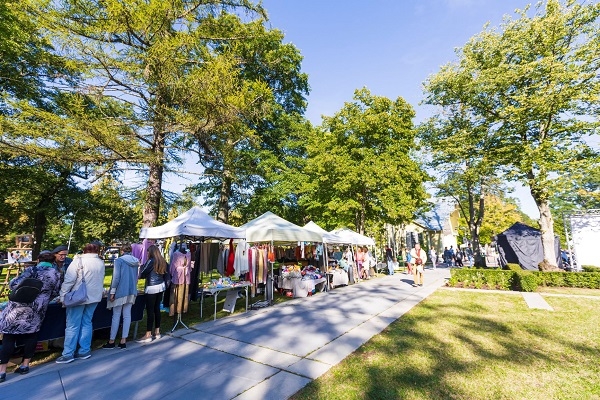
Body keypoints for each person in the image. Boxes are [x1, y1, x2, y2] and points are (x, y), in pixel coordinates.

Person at [0, 250, 61, 382]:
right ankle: (25, 365)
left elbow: (13, 284)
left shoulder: (31, 270)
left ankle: (2, 371)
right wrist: (44, 298)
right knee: (31, 336)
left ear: (39, 260)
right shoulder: (55, 274)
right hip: (37, 309)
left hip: (17, 307)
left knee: (9, 337)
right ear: (52, 261)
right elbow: (56, 292)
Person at [56, 243, 105, 364]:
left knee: (72, 325)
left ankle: (68, 353)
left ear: (84, 250)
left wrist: (63, 295)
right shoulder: (100, 262)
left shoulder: (78, 261)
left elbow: (69, 280)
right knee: (87, 323)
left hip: (78, 297)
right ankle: (84, 350)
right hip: (94, 297)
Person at [102, 244, 139, 350]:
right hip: (131, 290)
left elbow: (116, 277)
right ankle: (123, 340)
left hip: (120, 290)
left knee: (116, 315)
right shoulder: (136, 261)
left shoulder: (119, 261)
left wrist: (112, 292)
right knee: (127, 315)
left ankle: (112, 340)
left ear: (122, 251)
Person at [137, 245, 167, 343]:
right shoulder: (162, 260)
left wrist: (141, 268)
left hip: (152, 286)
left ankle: (148, 334)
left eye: (147, 252)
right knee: (157, 309)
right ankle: (157, 331)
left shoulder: (151, 261)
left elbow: (143, 272)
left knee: (150, 310)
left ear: (151, 252)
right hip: (160, 285)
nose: (147, 253)